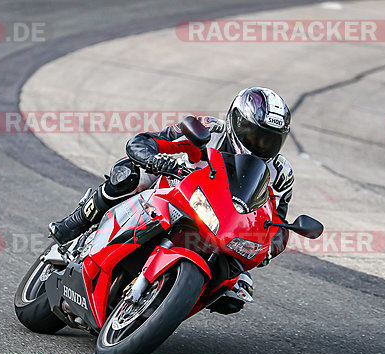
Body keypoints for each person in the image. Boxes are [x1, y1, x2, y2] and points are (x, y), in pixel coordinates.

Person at [49, 87, 295, 281]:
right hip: (172, 187)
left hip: (224, 224)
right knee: (128, 176)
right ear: (235, 121)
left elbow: (278, 224)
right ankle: (76, 222)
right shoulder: (209, 129)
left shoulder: (280, 173)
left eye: (268, 141)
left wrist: (268, 249)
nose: (259, 145)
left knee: (237, 289)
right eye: (253, 136)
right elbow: (144, 142)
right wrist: (156, 160)